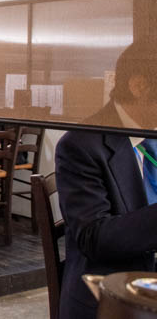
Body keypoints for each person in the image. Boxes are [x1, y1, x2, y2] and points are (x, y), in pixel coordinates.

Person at [55, 41, 157, 319]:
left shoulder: (152, 131)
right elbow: (94, 238)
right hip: (110, 296)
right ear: (139, 86)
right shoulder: (81, 145)